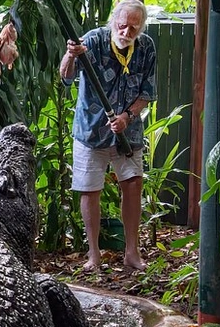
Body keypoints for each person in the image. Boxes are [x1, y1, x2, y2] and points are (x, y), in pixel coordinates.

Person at [59, 0, 156, 271]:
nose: (126, 32)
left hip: (128, 131)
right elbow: (65, 77)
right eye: (122, 25)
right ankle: (93, 255)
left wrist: (127, 116)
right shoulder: (92, 41)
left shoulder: (146, 47)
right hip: (91, 130)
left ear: (141, 27)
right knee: (90, 189)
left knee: (133, 183)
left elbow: (147, 93)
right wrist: (70, 55)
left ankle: (132, 253)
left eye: (133, 28)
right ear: (113, 21)